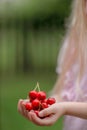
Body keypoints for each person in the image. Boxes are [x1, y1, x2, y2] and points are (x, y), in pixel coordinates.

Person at [17, 0, 87, 130]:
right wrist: (43, 105)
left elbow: (66, 105)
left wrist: (65, 108)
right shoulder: (73, 45)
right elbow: (67, 94)